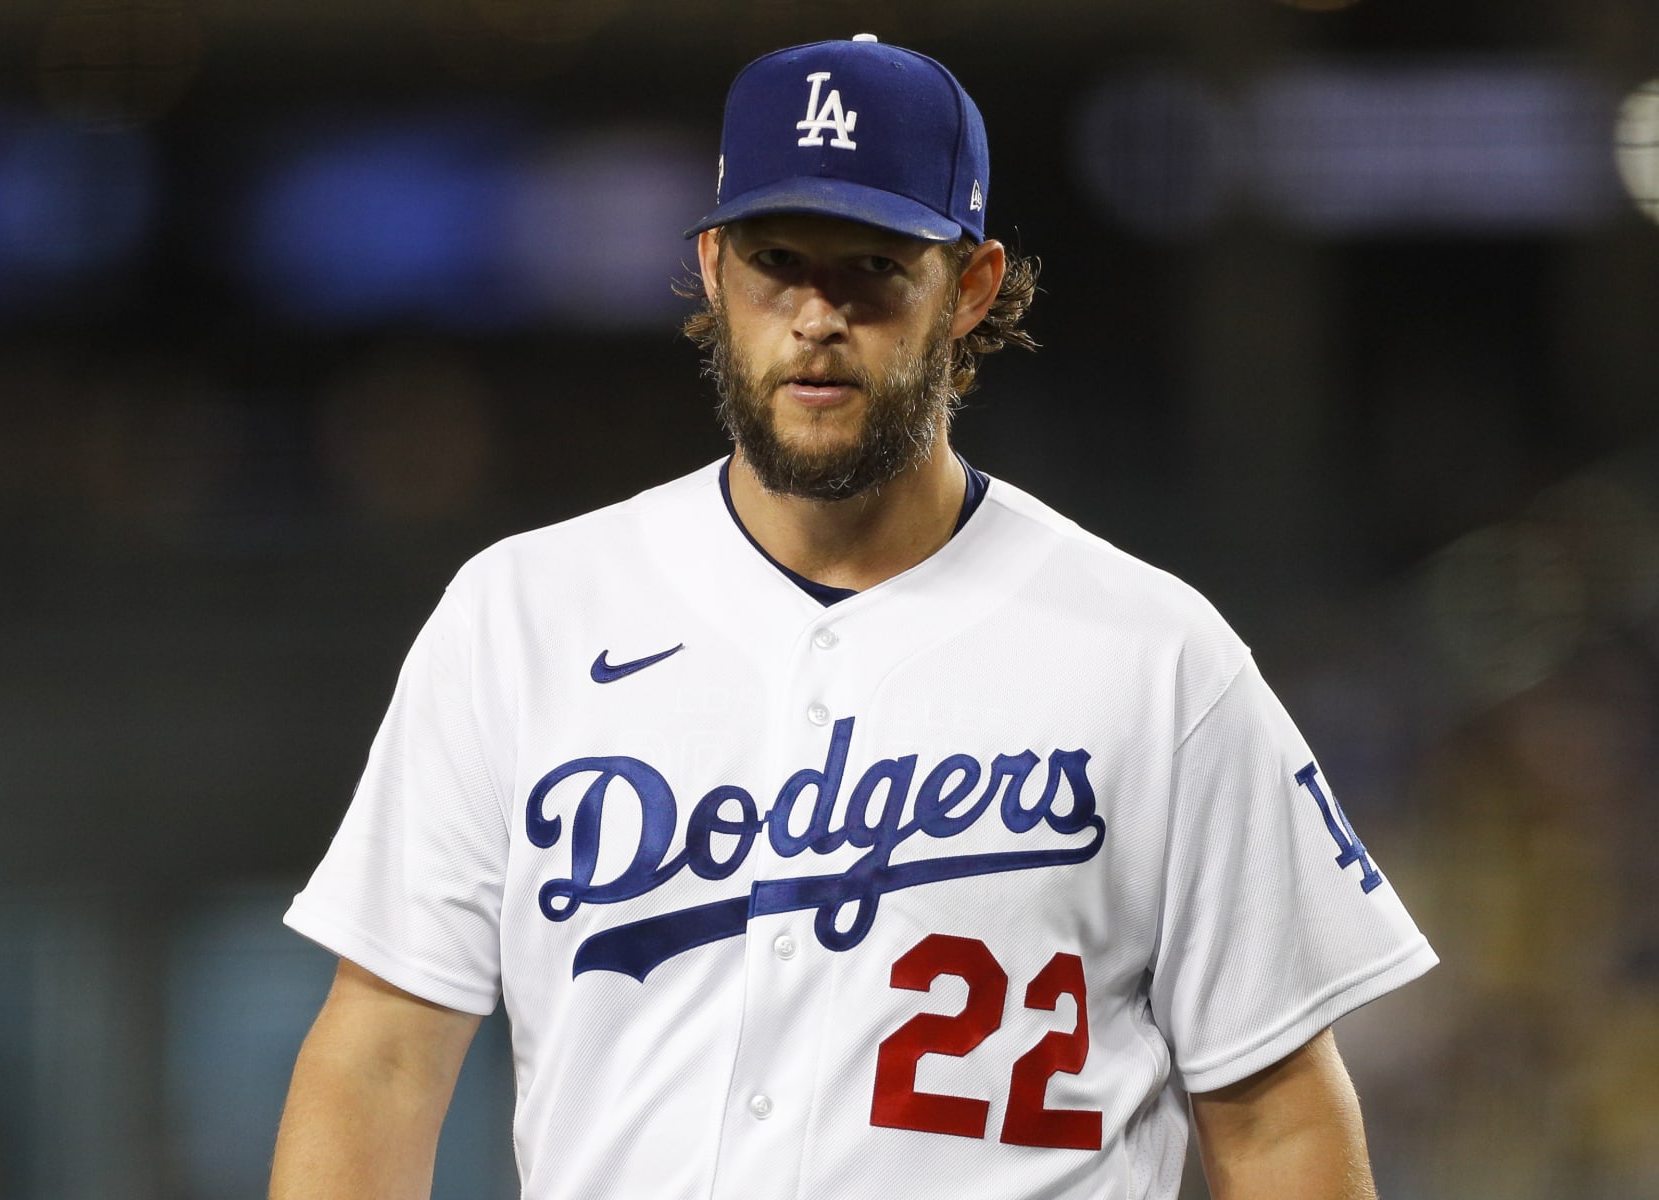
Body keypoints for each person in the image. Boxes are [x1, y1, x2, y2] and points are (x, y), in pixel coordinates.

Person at [270, 34, 1436, 1200]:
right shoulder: (522, 614)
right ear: (716, 268)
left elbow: (1279, 1122)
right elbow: (377, 1060)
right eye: (780, 259)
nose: (818, 314)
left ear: (969, 289)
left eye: (873, 266)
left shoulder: (1158, 659)